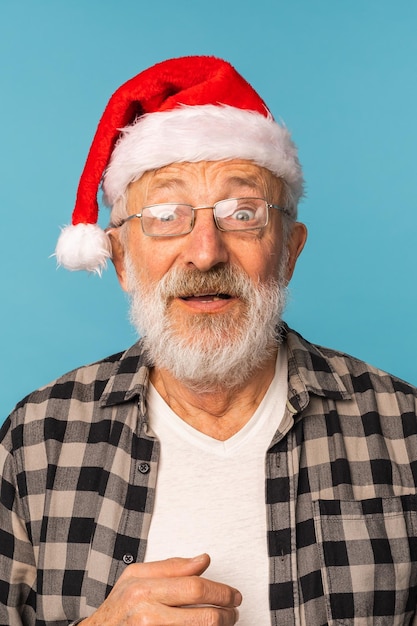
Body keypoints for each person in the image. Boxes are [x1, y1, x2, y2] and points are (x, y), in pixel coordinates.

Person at [1, 55, 416, 626]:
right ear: (120, 258)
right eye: (166, 215)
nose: (205, 251)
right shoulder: (37, 438)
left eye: (242, 213)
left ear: (290, 250)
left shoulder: (403, 428)